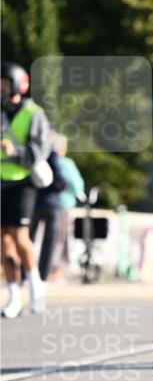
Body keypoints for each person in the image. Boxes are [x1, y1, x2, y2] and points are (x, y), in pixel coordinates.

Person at [1, 61, 51, 317]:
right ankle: (12, 296)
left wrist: (15, 152)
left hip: (24, 182)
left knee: (20, 236)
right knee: (4, 241)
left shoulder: (33, 113)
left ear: (18, 83)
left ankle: (35, 286)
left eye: (4, 83)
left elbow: (41, 150)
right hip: (2, 183)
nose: (0, 87)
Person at [28, 137, 67, 281]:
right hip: (51, 203)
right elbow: (58, 177)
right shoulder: (51, 153)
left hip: (33, 202)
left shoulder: (32, 151)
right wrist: (62, 185)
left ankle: (26, 272)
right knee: (49, 242)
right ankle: (42, 275)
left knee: (28, 239)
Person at [49, 134, 85, 282]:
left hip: (44, 204)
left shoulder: (45, 161)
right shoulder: (66, 163)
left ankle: (50, 270)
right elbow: (77, 184)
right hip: (63, 204)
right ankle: (57, 272)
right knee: (60, 239)